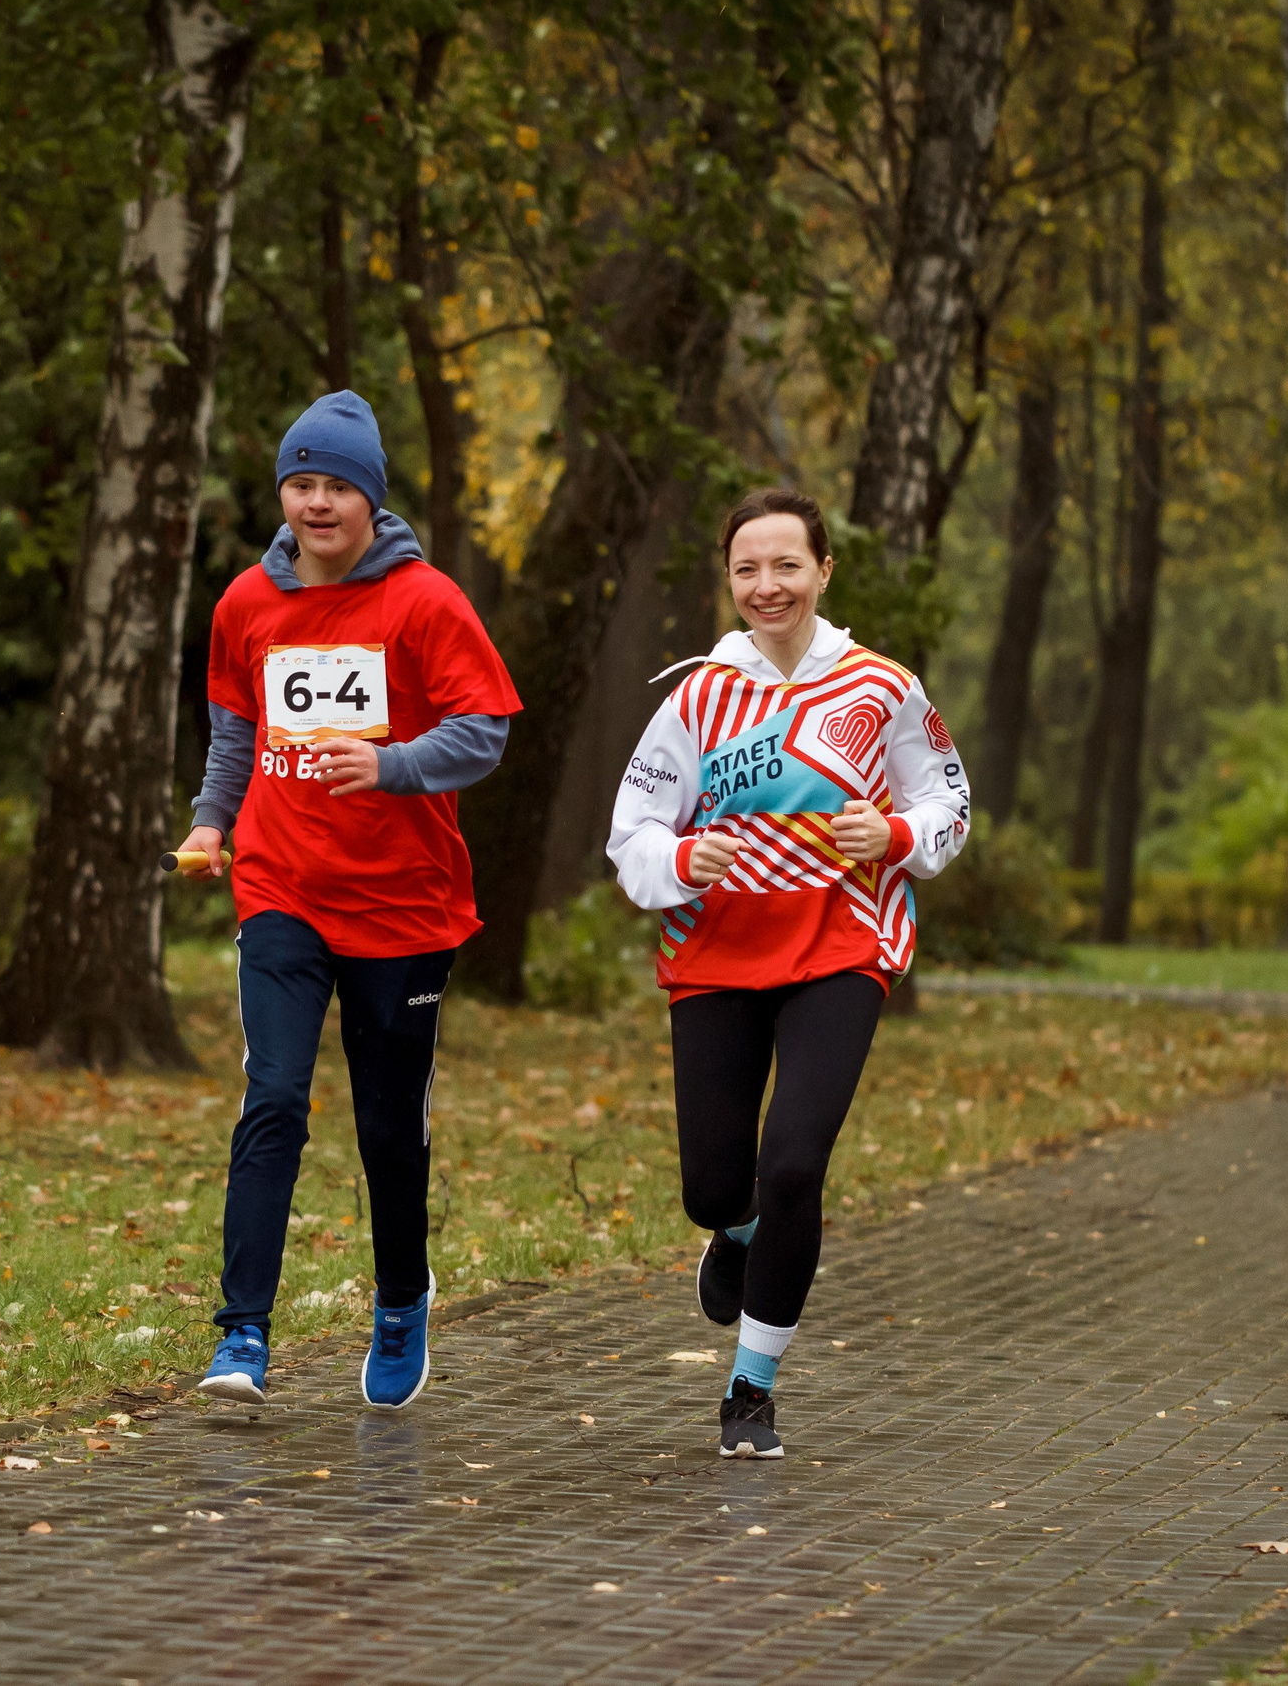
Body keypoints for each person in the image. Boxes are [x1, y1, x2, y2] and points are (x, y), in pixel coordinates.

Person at [173, 389, 521, 1409]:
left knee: (385, 1127)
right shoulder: (245, 603)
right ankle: (241, 1335)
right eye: (300, 483)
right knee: (272, 1095)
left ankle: (402, 1299)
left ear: (369, 496)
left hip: (403, 904)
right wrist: (210, 822)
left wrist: (391, 766)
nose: (316, 502)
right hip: (281, 886)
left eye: (335, 485)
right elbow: (235, 730)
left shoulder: (424, 603)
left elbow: (485, 729)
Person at [607, 488, 969, 1458]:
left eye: (785, 566)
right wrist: (681, 861)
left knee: (796, 1165)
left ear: (822, 573)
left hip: (843, 947)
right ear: (727, 580)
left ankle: (750, 1392)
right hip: (716, 953)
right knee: (714, 1188)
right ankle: (731, 1233)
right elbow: (631, 833)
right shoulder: (694, 698)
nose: (766, 586)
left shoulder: (881, 687)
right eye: (746, 570)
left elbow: (946, 798)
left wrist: (893, 832)